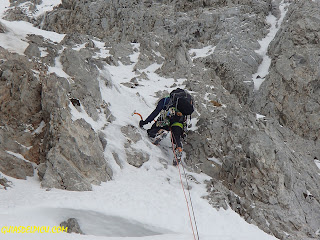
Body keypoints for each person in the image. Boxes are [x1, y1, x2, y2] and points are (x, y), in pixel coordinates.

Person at [139, 89, 193, 165]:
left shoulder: (165, 100)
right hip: (179, 121)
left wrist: (144, 122)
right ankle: (179, 148)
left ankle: (160, 132)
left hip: (167, 118)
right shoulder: (182, 105)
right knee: (176, 136)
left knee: (152, 130)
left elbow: (155, 113)